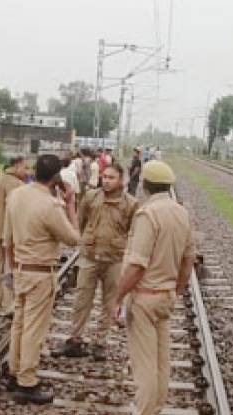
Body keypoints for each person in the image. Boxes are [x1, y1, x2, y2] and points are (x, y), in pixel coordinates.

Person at [110, 160, 194, 415]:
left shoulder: (148, 214)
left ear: (144, 185)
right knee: (161, 360)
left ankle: (144, 410)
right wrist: (176, 290)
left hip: (145, 297)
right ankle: (156, 407)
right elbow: (188, 259)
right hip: (166, 296)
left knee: (144, 363)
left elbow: (137, 265)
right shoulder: (181, 213)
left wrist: (118, 298)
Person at [3, 155, 82, 404]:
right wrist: (70, 204)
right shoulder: (50, 206)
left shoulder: (16, 195)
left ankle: (14, 370)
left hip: (20, 269)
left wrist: (12, 268)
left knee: (19, 324)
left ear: (35, 171)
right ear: (56, 177)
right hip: (40, 273)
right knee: (33, 329)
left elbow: (7, 238)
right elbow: (74, 239)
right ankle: (27, 381)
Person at [52, 164, 139, 361]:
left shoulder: (131, 204)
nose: (106, 181)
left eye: (111, 178)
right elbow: (81, 222)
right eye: (104, 176)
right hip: (89, 257)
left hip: (114, 259)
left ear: (121, 180)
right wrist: (87, 240)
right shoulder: (91, 197)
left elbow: (132, 231)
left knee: (109, 302)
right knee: (82, 299)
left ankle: (100, 342)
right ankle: (75, 339)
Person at [0, 156, 26, 318]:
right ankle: (7, 304)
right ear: (17, 166)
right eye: (25, 167)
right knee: (9, 268)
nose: (26, 171)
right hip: (11, 233)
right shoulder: (19, 185)